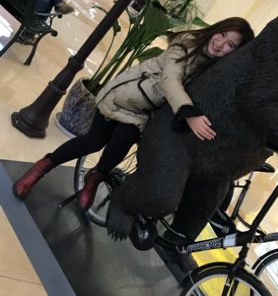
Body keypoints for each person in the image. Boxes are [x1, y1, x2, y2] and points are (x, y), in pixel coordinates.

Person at [12, 17, 255, 210]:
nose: (221, 43)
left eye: (230, 44)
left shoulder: (216, 67)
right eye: (222, 34)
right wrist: (189, 114)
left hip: (145, 112)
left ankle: (96, 178)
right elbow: (170, 80)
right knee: (93, 141)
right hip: (126, 96)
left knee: (122, 142)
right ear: (216, 29)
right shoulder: (187, 42)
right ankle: (41, 167)